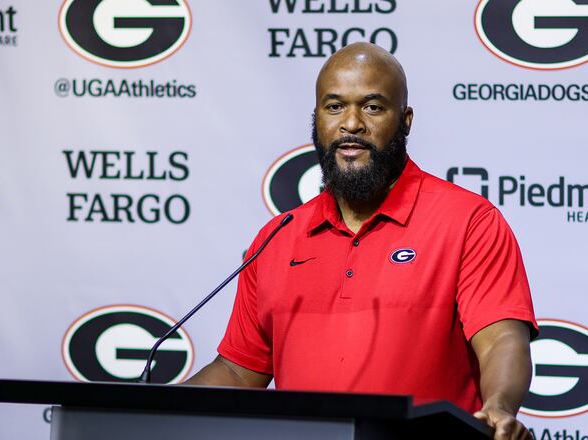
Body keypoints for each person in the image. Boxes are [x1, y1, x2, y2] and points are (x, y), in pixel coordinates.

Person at [187, 42, 537, 440]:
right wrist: (151, 411)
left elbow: (500, 340)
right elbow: (237, 370)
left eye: (372, 107)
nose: (351, 124)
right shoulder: (278, 236)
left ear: (405, 120)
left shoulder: (469, 221)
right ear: (316, 118)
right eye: (334, 107)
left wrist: (499, 404)